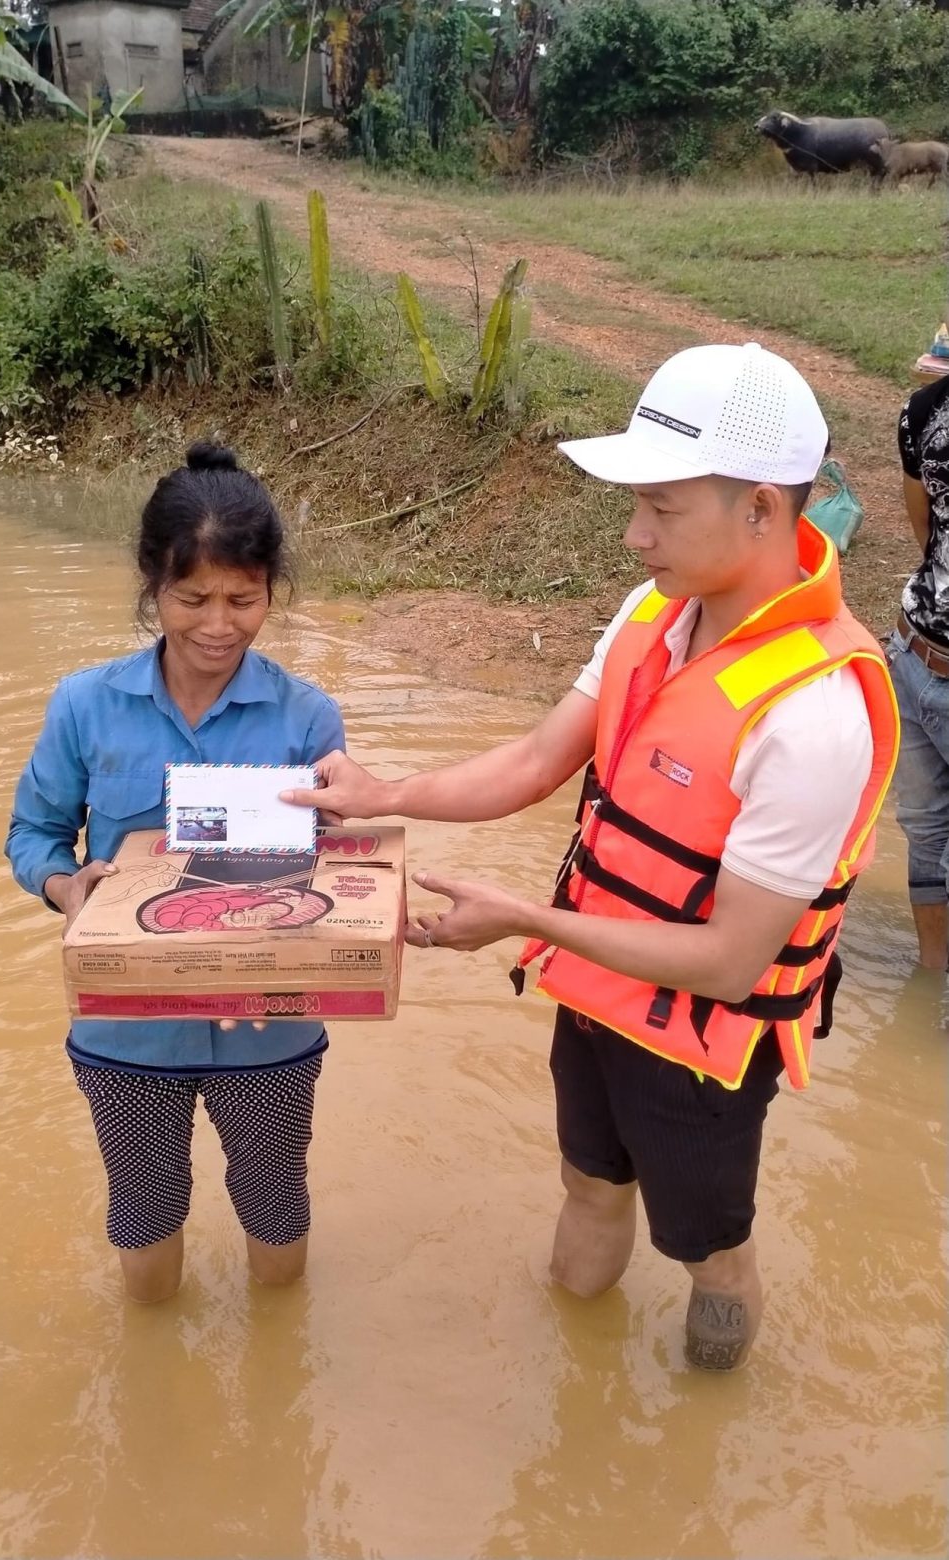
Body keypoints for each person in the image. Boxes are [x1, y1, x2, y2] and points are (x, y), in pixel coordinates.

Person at [285, 344, 899, 1370]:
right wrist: (382, 793)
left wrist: (524, 920)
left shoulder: (818, 715)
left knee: (710, 1250)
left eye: (661, 508)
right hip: (597, 994)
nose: (633, 535)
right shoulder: (653, 614)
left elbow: (728, 963)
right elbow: (534, 761)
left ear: (759, 509)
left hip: (703, 1047)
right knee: (588, 1185)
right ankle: (571, 1375)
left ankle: (705, 1419)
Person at [6, 444, 345, 1302]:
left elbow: (339, 872)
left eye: (244, 599)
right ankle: (156, 1395)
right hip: (126, 1034)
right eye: (192, 599)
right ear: (153, 585)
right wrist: (66, 886)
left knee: (276, 1210)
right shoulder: (85, 705)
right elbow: (34, 833)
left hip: (269, 1030)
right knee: (144, 1215)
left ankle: (276, 1371)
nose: (218, 625)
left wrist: (347, 850)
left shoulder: (308, 717)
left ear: (272, 588)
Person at [893, 369, 949, 969]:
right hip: (914, 654)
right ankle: (931, 979)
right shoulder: (925, 411)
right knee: (925, 831)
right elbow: (926, 537)